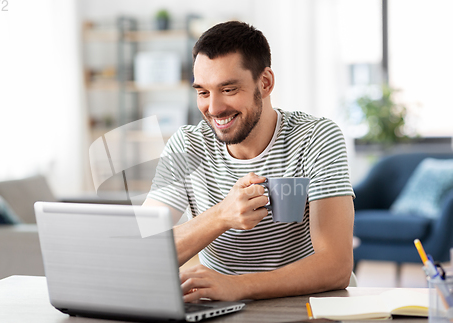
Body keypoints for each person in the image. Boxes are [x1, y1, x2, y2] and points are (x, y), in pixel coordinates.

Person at [143, 21, 355, 301]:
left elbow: (336, 267)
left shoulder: (316, 138)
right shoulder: (187, 145)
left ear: (264, 83)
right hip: (221, 308)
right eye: (203, 92)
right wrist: (221, 216)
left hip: (308, 306)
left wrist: (239, 286)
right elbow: (144, 251)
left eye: (229, 90)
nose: (214, 108)